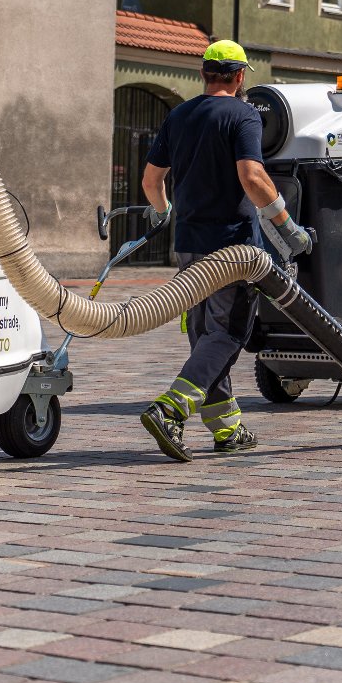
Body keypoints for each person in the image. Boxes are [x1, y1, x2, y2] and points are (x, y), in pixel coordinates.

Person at [138, 41, 312, 462]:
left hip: (189, 247)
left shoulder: (179, 115)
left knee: (204, 336)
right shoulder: (243, 114)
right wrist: (287, 226)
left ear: (204, 74)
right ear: (239, 77)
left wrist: (164, 212)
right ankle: (171, 408)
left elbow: (150, 181)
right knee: (229, 333)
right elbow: (253, 177)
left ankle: (227, 428)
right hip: (231, 247)